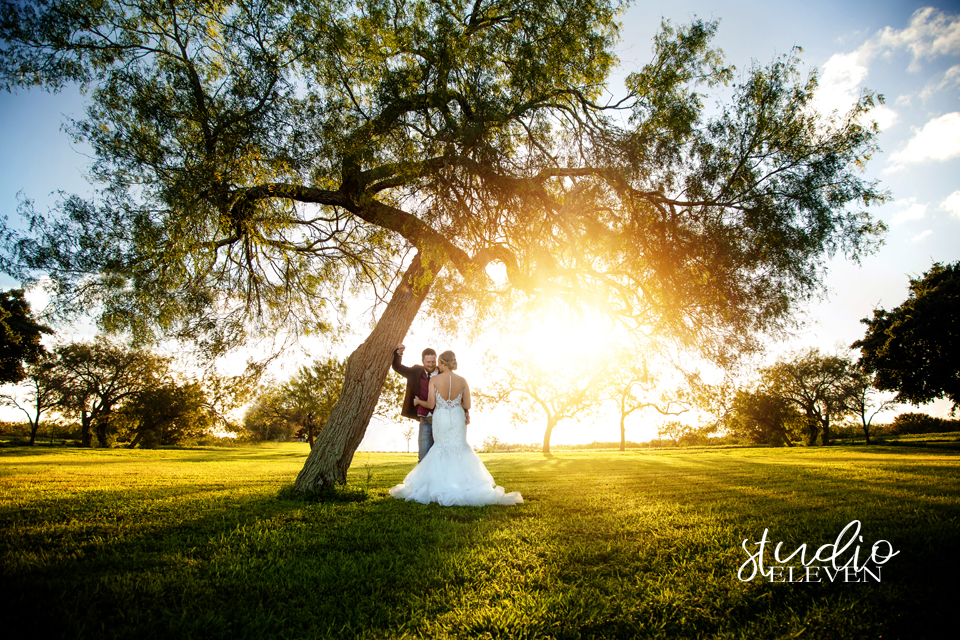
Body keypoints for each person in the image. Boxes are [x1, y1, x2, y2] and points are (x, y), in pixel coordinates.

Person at [389, 350, 523, 507]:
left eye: (439, 362)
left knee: (440, 448)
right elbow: (467, 405)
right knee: (459, 447)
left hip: (441, 417)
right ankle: (463, 486)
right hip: (458, 417)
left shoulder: (435, 380)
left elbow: (431, 404)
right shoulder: (462, 380)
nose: (437, 365)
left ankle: (438, 486)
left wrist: (419, 402)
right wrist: (460, 408)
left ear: (443, 364)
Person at [392, 344, 442, 461]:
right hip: (424, 421)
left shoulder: (442, 373)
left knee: (440, 457)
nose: (430, 364)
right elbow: (397, 367)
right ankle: (423, 480)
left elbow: (454, 391)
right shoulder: (415, 371)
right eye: (428, 362)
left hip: (440, 421)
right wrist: (399, 353)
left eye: (433, 362)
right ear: (422, 361)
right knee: (423, 457)